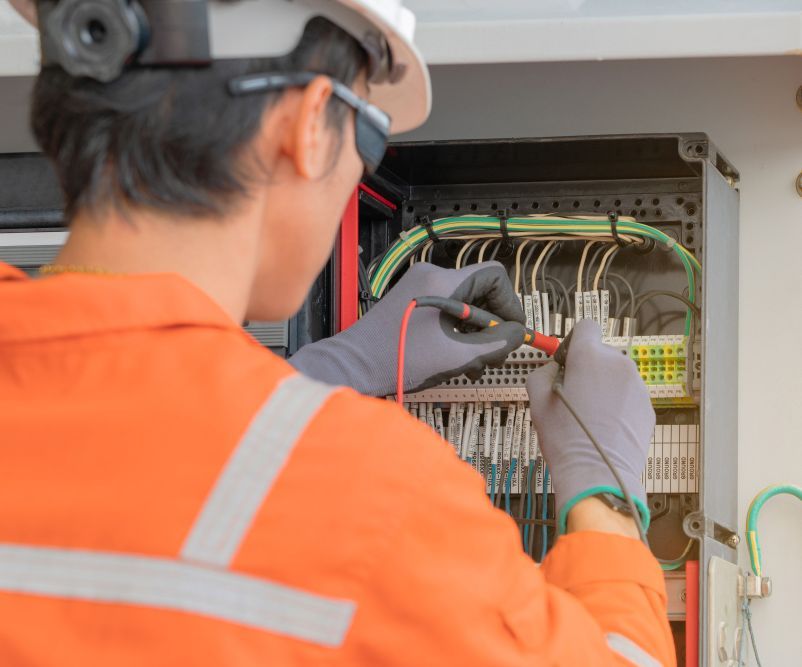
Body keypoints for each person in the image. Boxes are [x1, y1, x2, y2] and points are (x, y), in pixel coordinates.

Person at [0, 1, 675, 664]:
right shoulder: (377, 502)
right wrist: (604, 496)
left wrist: (334, 370)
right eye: (371, 133)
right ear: (310, 126)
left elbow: (129, 448)